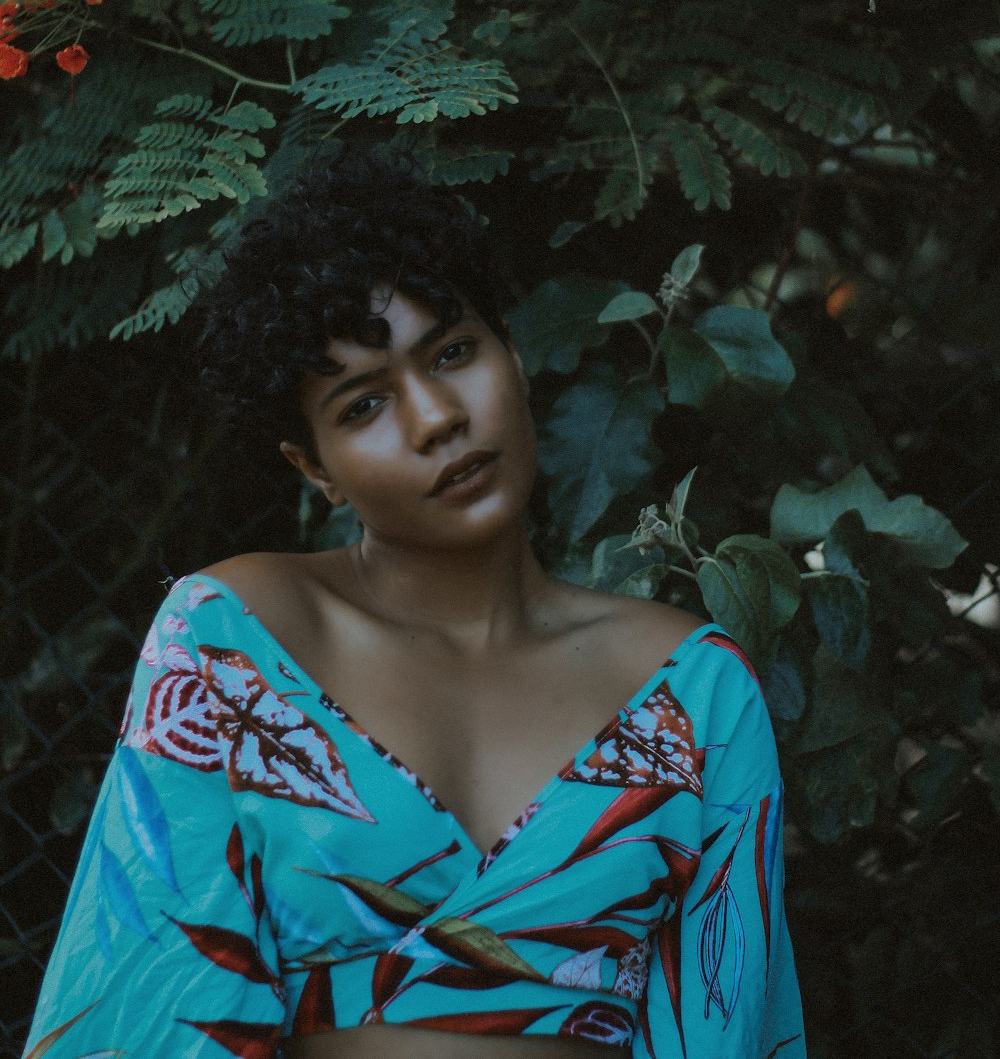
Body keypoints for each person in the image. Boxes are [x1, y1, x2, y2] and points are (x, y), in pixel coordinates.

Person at [22, 147, 806, 1059]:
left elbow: (726, 1022)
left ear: (513, 354)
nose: (436, 416)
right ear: (313, 469)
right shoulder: (230, 647)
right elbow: (146, 1003)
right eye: (363, 405)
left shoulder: (695, 694)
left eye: (455, 353)